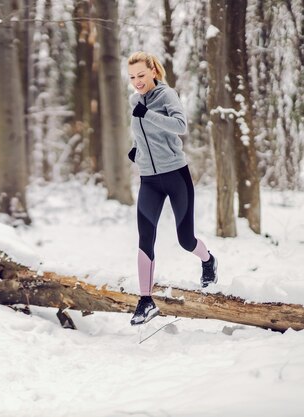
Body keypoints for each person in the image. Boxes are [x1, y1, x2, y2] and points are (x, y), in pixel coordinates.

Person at [126, 51, 217, 325]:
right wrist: (136, 151)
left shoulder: (167, 96)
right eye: (132, 77)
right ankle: (145, 300)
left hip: (176, 174)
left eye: (141, 75)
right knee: (145, 238)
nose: (137, 82)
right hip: (149, 179)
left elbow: (180, 126)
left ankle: (209, 260)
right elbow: (141, 133)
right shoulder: (134, 100)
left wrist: (149, 114)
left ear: (153, 71)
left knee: (185, 239)